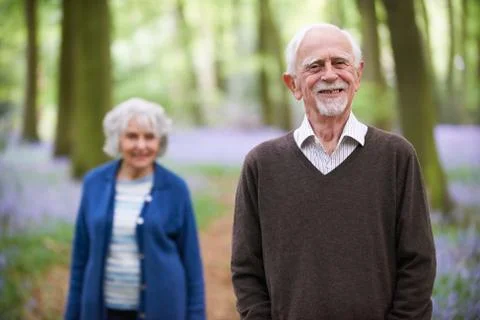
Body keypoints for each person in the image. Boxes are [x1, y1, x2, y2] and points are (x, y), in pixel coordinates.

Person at [231, 23, 436, 320]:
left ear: (358, 75)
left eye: (340, 63)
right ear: (293, 84)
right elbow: (246, 268)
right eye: (314, 66)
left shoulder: (396, 157)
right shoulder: (261, 165)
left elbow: (418, 262)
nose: (329, 74)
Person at [65, 98, 205, 320]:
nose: (141, 145)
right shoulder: (94, 184)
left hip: (164, 310)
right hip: (103, 311)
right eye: (132, 136)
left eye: (149, 137)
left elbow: (192, 266)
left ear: (160, 142)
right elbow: (80, 260)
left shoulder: (176, 189)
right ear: (117, 140)